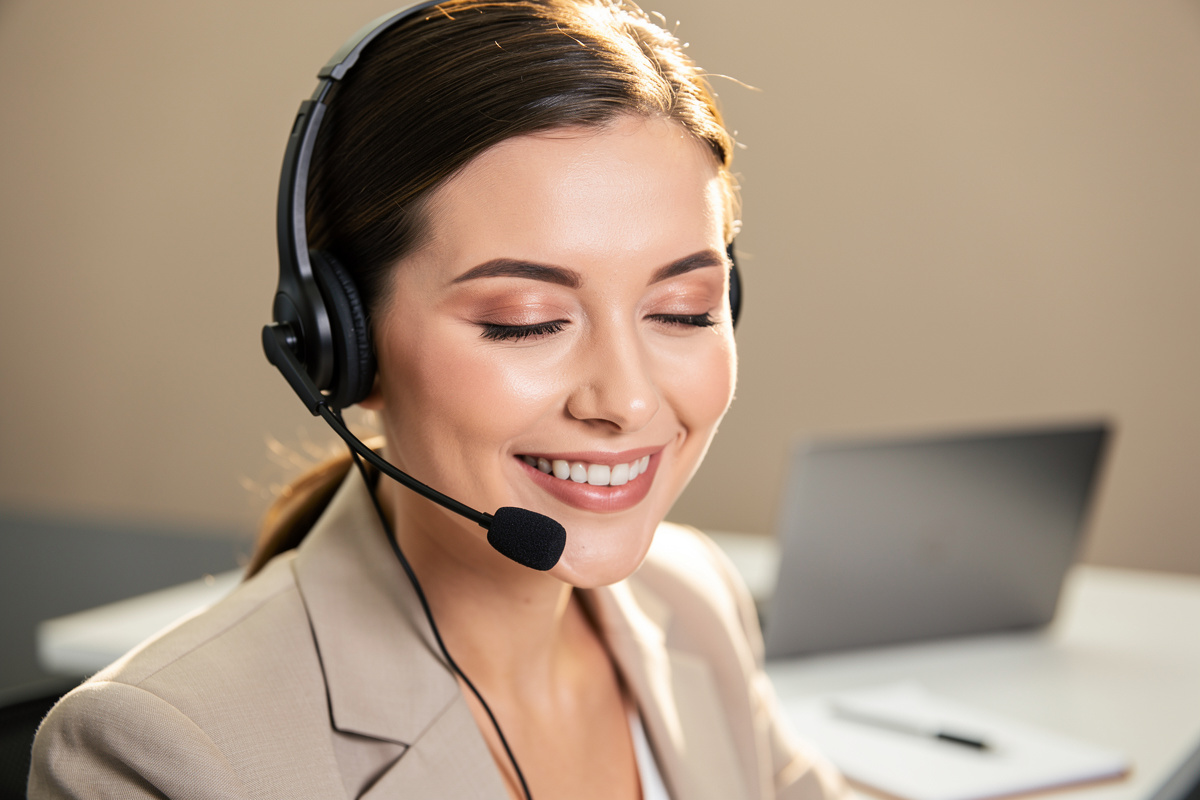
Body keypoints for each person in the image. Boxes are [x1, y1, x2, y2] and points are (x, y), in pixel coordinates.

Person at [29, 1, 846, 798]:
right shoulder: (165, 753)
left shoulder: (690, 596)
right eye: (525, 323)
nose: (626, 400)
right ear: (345, 346)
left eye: (684, 311)